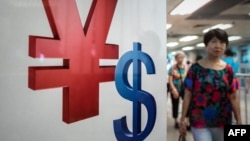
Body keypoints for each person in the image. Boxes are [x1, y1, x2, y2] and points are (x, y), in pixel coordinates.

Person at [179, 28, 242, 141]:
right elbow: (188, 95)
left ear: (225, 46)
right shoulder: (195, 69)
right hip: (199, 120)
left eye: (222, 42)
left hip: (223, 120)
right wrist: (182, 119)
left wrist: (239, 121)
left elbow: (233, 97)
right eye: (213, 41)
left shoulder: (229, 70)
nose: (218, 45)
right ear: (206, 45)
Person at [168, 51, 188, 129]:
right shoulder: (172, 68)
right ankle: (176, 120)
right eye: (178, 57)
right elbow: (170, 79)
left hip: (185, 89)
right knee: (175, 104)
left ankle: (186, 120)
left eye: (182, 57)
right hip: (175, 88)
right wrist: (173, 89)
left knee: (187, 104)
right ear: (175, 58)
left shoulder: (186, 67)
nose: (180, 59)